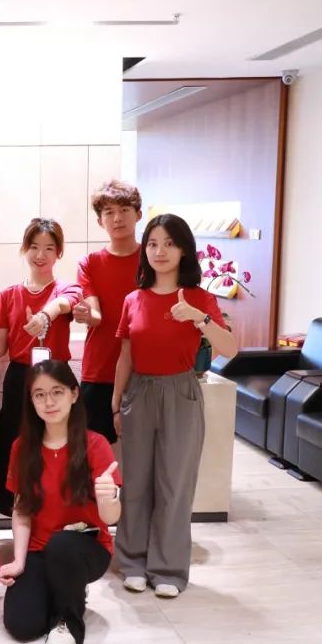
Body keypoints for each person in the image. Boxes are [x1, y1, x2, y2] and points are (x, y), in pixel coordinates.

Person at [113, 213, 238, 598]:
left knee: (175, 483)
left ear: (184, 249)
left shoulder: (199, 298)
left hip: (181, 392)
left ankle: (168, 568)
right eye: (152, 243)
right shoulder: (133, 300)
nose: (160, 251)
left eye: (169, 243)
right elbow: (125, 356)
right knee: (135, 483)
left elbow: (230, 349)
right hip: (139, 392)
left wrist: (199, 318)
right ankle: (133, 562)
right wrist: (116, 403)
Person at [0, 360, 121, 644]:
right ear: (31, 401)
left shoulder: (95, 445)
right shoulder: (22, 448)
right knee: (22, 626)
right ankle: (64, 588)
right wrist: (19, 561)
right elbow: (22, 511)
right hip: (40, 549)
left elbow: (110, 518)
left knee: (62, 544)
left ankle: (69, 621)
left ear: (74, 394)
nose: (49, 402)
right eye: (39, 395)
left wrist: (109, 498)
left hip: (84, 548)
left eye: (57, 392)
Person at [0, 218, 82, 516]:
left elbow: (64, 304)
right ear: (25, 249)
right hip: (20, 378)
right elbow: (0, 346)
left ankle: (57, 512)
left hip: (56, 378)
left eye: (49, 248)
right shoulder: (8, 295)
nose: (41, 254)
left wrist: (44, 316)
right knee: (15, 444)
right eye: (34, 247)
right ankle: (15, 511)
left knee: (58, 445)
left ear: (59, 253)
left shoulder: (67, 289)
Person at [71, 180, 144, 444]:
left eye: (124, 209)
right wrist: (87, 316)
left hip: (144, 372)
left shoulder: (152, 260)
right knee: (94, 452)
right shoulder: (89, 263)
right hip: (100, 370)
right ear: (100, 221)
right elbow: (96, 314)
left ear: (138, 214)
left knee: (141, 453)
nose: (117, 218)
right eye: (109, 212)